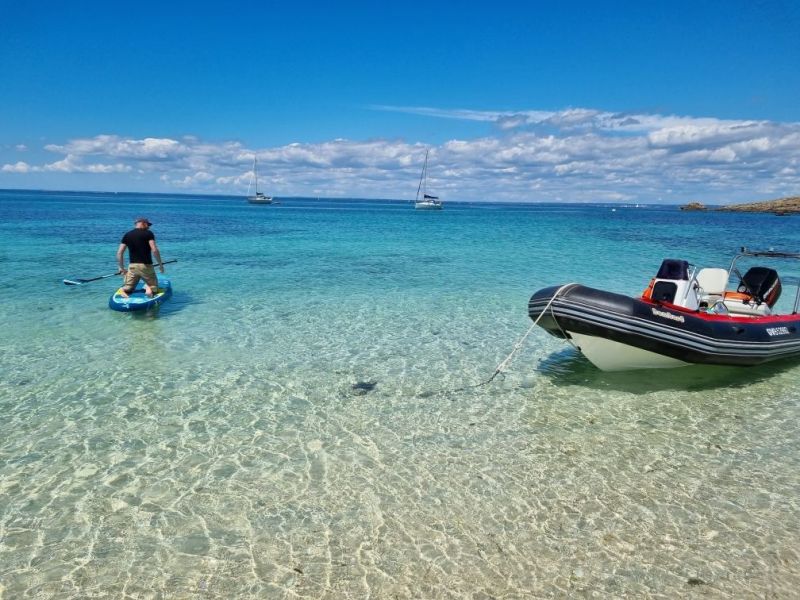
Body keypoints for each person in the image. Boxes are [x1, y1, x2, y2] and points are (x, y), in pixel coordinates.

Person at [116, 217, 164, 298]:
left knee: (128, 287)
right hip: (146, 266)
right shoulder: (148, 233)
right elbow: (154, 250)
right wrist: (160, 265)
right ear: (143, 223)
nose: (148, 227)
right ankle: (149, 289)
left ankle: (124, 290)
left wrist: (121, 268)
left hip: (132, 267)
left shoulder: (127, 235)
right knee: (154, 287)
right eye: (148, 225)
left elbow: (120, 252)